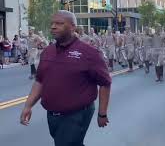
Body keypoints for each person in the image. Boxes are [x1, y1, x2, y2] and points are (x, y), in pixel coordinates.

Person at [20, 10, 112, 146]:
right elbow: (40, 81)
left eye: (59, 23)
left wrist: (102, 113)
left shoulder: (89, 53)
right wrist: (28, 106)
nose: (53, 26)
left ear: (73, 27)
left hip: (76, 115)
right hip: (52, 115)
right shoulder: (48, 52)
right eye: (52, 23)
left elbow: (105, 83)